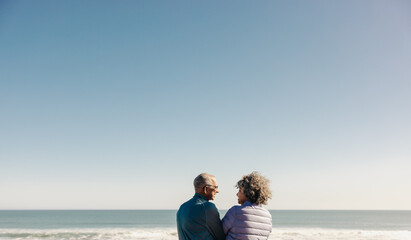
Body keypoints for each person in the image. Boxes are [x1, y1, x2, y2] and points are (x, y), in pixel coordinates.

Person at [222, 171, 272, 240]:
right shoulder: (267, 216)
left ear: (248, 192)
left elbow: (220, 233)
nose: (237, 194)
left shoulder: (235, 211)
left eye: (239, 191)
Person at [177, 173, 226, 240]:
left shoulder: (182, 207)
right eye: (215, 187)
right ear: (206, 189)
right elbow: (221, 237)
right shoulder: (207, 207)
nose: (217, 191)